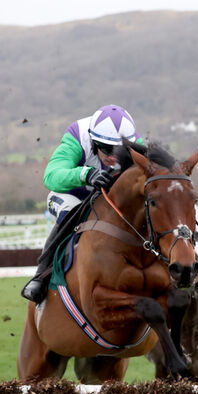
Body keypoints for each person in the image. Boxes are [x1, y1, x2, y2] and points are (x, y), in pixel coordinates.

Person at [20, 105, 140, 302]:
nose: (112, 156)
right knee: (72, 212)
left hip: (105, 199)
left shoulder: (135, 143)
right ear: (93, 141)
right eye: (106, 149)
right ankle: (41, 276)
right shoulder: (77, 136)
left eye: (119, 150)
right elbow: (51, 176)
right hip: (72, 196)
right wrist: (86, 174)